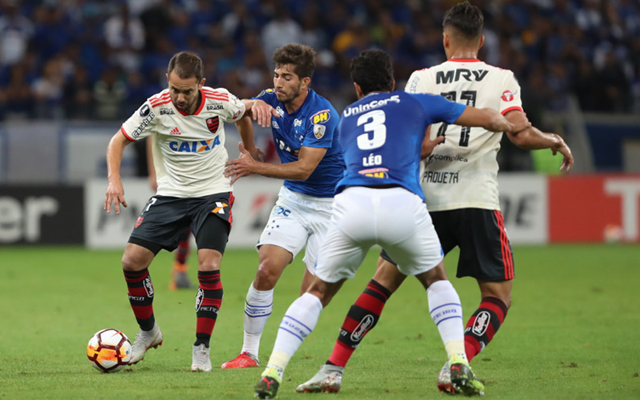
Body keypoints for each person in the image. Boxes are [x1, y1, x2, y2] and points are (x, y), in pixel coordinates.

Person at [298, 1, 575, 395]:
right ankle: (455, 362)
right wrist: (553, 140)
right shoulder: (501, 78)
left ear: (445, 40)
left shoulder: (421, 79)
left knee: (381, 284)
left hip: (424, 201)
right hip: (476, 197)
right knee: (497, 295)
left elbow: (410, 140)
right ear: (481, 41)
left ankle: (333, 367)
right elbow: (519, 132)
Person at [254, 48, 527, 399]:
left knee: (318, 292)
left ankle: (273, 370)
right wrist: (515, 126)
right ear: (393, 81)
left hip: (352, 204)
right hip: (402, 202)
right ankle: (458, 361)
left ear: (356, 87)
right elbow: (486, 118)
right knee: (436, 280)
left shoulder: (347, 115)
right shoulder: (414, 102)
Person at [104, 51, 262, 373]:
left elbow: (243, 113)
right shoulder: (157, 106)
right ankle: (148, 332)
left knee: (208, 263)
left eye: (187, 91)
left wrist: (248, 150)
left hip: (213, 192)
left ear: (201, 85)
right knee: (131, 261)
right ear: (168, 81)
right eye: (174, 89)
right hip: (171, 195)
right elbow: (117, 141)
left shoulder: (219, 101)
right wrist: (114, 180)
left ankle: (201, 348)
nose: (179, 97)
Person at [220, 43, 345, 369]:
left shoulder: (322, 115)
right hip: (294, 200)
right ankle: (249, 353)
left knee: (312, 294)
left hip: (331, 207)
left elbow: (304, 169)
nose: (278, 82)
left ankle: (282, 355)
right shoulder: (270, 99)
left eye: (287, 77)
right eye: (276, 74)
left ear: (305, 82)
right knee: (266, 270)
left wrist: (254, 167)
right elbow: (241, 112)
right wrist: (250, 146)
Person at [145, 136, 194, 290]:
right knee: (182, 226)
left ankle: (180, 270)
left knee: (189, 225)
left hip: (194, 177)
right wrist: (153, 173)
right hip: (171, 178)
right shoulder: (166, 114)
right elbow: (151, 138)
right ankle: (178, 271)